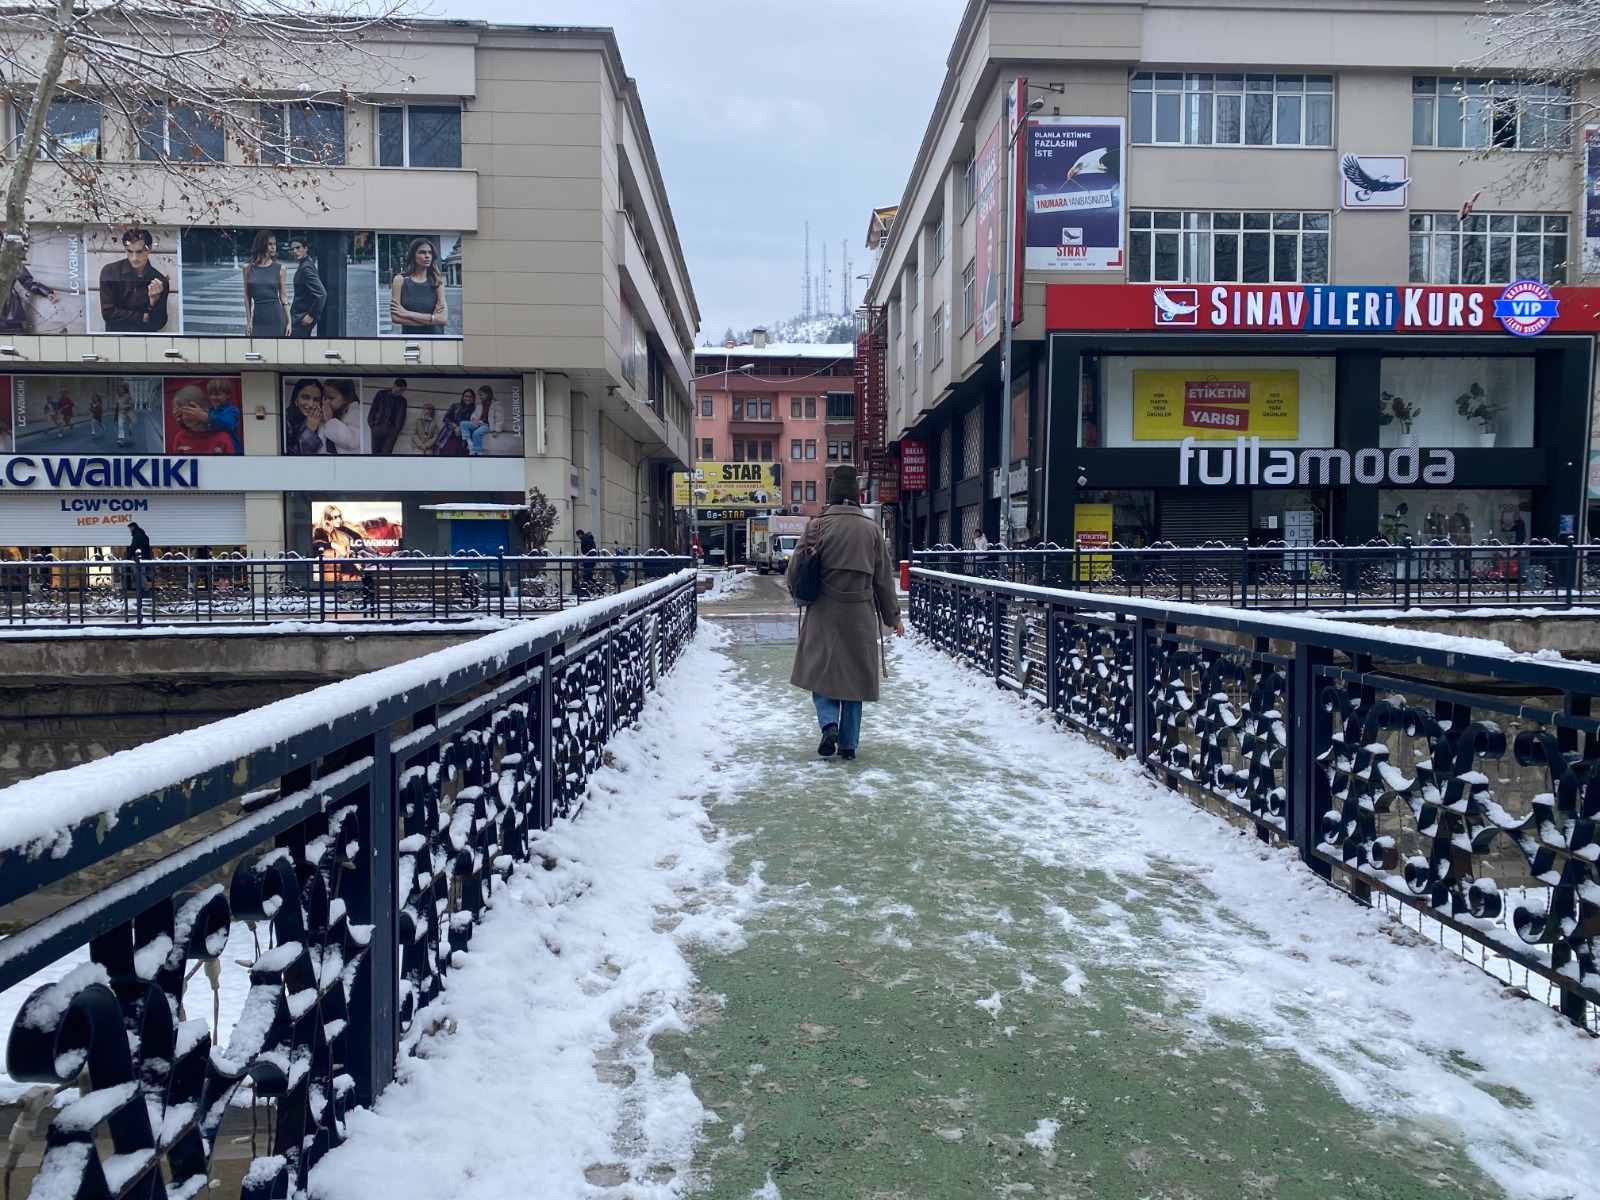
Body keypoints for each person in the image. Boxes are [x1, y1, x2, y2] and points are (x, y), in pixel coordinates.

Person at [786, 465, 903, 761]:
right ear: (857, 497)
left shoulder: (815, 527)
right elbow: (884, 581)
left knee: (821, 674)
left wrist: (802, 595)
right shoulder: (872, 531)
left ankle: (829, 725)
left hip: (823, 613)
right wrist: (894, 617)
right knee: (855, 681)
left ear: (832, 495)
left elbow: (794, 573)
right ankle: (849, 745)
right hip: (860, 615)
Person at [99, 228, 170, 332]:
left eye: (139, 252)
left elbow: (159, 322)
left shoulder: (159, 280)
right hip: (116, 339)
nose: (134, 257)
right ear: (125, 249)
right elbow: (108, 313)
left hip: (145, 340)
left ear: (149, 249)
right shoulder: (110, 272)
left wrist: (153, 301)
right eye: (129, 251)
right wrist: (144, 317)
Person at [389, 236, 447, 335]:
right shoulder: (400, 280)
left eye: (430, 252)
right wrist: (432, 319)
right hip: (409, 337)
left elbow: (442, 319)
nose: (427, 256)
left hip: (434, 339)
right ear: (413, 256)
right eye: (422, 252)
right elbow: (396, 317)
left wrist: (407, 313)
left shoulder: (437, 283)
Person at [242, 229, 289, 338]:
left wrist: (289, 322)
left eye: (274, 244)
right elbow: (247, 295)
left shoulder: (280, 268)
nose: (273, 247)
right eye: (269, 244)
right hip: (258, 318)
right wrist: (249, 321)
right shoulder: (248, 268)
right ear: (262, 245)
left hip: (277, 318)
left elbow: (284, 298)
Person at [167, 384, 236, 455]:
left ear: (201, 408)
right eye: (180, 413)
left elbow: (233, 464)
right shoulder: (180, 437)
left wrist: (204, 416)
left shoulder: (222, 437)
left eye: (188, 412)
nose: (184, 417)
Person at [1, 262, 61, 333]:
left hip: (10, 310)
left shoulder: (13, 261)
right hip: (10, 309)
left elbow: (28, 282)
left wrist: (47, 292)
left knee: (16, 338)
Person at [312, 503, 365, 581]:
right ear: (327, 519)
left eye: (340, 516)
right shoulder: (320, 531)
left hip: (352, 564)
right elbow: (316, 548)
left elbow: (358, 539)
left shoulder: (344, 529)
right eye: (335, 517)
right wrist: (332, 544)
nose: (339, 519)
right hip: (339, 568)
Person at [287, 235, 326, 338]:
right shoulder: (304, 264)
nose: (295, 251)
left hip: (302, 318)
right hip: (299, 316)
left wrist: (312, 315)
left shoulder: (306, 267)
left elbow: (321, 294)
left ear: (305, 249)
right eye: (292, 249)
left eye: (298, 248)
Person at [285, 378, 328, 455]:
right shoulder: (285, 421)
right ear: (296, 398)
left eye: (316, 400)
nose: (311, 404)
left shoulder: (322, 420)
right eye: (305, 397)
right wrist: (309, 431)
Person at [319, 377, 362, 454]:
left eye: (331, 398)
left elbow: (353, 441)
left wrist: (330, 421)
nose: (326, 402)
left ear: (346, 399)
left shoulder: (355, 413)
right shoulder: (325, 411)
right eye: (325, 398)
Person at [367, 377, 408, 456]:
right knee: (375, 453)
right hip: (378, 427)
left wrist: (397, 430)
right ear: (395, 386)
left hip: (392, 430)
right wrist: (373, 425)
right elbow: (373, 409)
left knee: (386, 454)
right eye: (401, 389)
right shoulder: (381, 394)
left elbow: (402, 417)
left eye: (404, 390)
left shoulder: (403, 401)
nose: (402, 392)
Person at [204, 378, 241, 453]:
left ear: (227, 395)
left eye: (216, 394)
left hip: (232, 452)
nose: (213, 397)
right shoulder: (208, 411)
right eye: (210, 394)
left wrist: (207, 418)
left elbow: (227, 425)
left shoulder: (233, 411)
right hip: (212, 450)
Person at [435, 388, 474, 456]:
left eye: (470, 397)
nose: (467, 398)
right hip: (450, 435)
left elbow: (473, 424)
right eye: (465, 396)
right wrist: (455, 427)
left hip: (463, 437)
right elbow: (446, 419)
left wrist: (461, 429)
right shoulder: (455, 406)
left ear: (473, 398)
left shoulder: (474, 409)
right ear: (462, 397)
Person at [125, 520, 153, 597]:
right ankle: (144, 588)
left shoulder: (137, 536)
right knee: (141, 573)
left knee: (139, 573)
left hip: (140, 558)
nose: (129, 530)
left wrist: (128, 557)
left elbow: (133, 546)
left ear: (133, 528)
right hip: (145, 557)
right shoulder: (144, 535)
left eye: (130, 528)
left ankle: (145, 589)